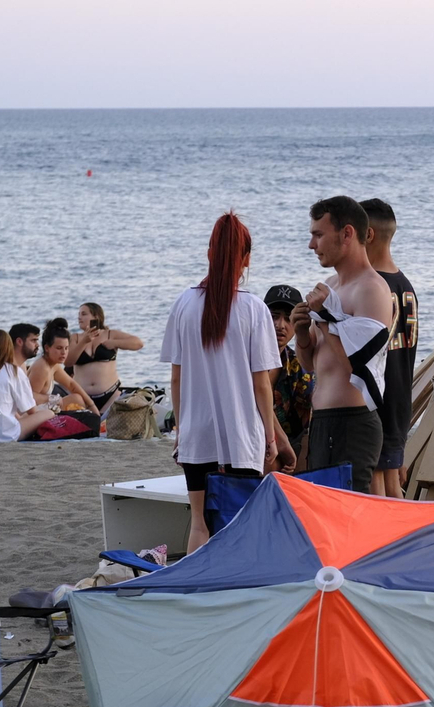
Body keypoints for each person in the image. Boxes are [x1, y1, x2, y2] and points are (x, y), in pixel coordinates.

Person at [161, 212, 295, 553]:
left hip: (196, 433)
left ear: (210, 253)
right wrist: (271, 437)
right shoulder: (253, 309)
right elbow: (261, 384)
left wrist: (181, 429)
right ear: (245, 258)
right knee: (239, 524)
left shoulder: (183, 305)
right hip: (241, 436)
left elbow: (176, 378)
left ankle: (197, 594)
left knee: (200, 523)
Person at [293, 197, 393, 493]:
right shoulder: (331, 285)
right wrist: (302, 334)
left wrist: (324, 317)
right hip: (322, 422)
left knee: (349, 524)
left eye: (319, 234)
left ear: (347, 234)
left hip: (352, 424)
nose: (312, 244)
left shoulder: (372, 289)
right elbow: (311, 364)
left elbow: (356, 366)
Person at [361, 198, 417, 498]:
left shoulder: (373, 288)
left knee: (375, 492)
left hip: (377, 405)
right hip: (400, 402)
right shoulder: (405, 285)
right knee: (392, 487)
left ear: (367, 235)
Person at [263, 284, 314, 466]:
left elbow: (307, 421)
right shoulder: (246, 359)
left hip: (289, 449)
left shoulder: (298, 364)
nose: (280, 326)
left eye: (288, 319)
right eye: (274, 317)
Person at [66, 301, 145, 413]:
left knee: (108, 428)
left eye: (83, 314)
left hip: (110, 394)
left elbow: (138, 343)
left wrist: (115, 343)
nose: (79, 318)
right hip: (82, 396)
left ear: (96, 316)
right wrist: (84, 342)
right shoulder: (75, 338)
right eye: (78, 315)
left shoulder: (110, 334)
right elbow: (68, 362)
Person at [30, 319, 100, 413]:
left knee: (77, 398)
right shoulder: (42, 367)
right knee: (77, 400)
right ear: (47, 348)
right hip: (33, 414)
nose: (63, 353)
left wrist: (92, 405)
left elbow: (71, 384)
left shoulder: (53, 365)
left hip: (45, 409)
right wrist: (53, 399)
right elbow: (29, 397)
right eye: (59, 348)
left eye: (66, 348)